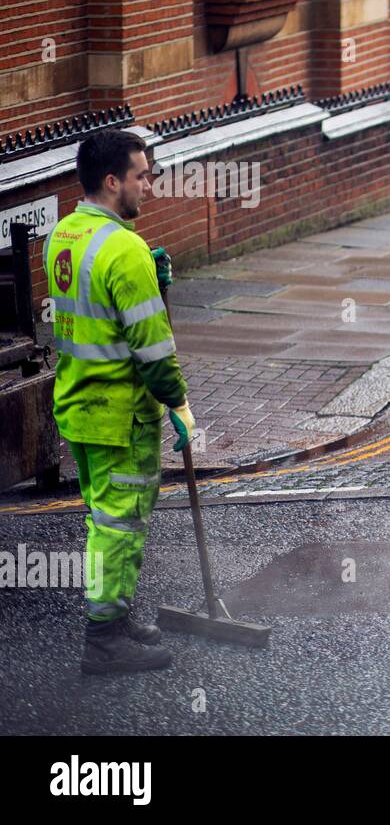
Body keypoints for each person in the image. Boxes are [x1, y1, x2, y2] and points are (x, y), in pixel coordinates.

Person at [46, 129, 196, 673]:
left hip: (77, 406)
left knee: (103, 520)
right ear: (113, 181)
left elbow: (92, 312)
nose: (149, 187)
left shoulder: (63, 235)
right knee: (121, 525)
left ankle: (117, 613)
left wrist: (145, 278)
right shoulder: (125, 249)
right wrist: (176, 402)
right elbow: (152, 346)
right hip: (121, 415)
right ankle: (105, 640)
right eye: (142, 176)